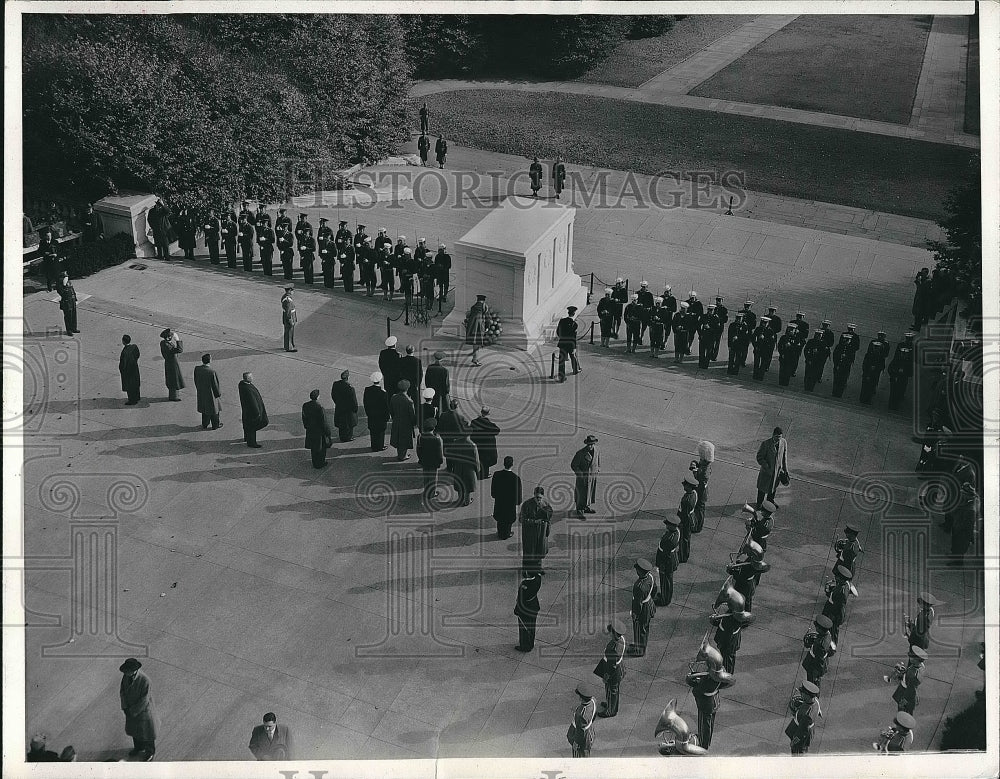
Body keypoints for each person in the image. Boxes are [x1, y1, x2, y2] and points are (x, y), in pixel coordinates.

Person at [119, 658, 156, 760]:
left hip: (143, 711)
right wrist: (125, 707)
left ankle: (150, 752)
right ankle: (138, 747)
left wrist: (133, 711)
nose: (125, 673)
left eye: (127, 671)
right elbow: (122, 691)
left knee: (147, 733)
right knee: (135, 731)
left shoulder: (145, 680)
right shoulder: (126, 676)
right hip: (130, 710)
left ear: (134, 670)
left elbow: (145, 699)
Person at [596, 620, 627, 718]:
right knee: (614, 691)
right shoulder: (622, 639)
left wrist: (606, 677)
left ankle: (610, 711)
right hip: (620, 669)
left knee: (611, 690)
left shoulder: (612, 648)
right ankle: (612, 705)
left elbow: (611, 666)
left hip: (613, 674)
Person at [627, 559, 657, 657]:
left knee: (639, 630)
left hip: (643, 609)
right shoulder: (651, 577)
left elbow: (637, 604)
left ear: (640, 572)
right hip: (649, 604)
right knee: (644, 628)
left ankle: (639, 651)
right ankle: (640, 646)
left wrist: (635, 614)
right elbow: (654, 590)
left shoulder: (639, 586)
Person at [519, 486, 552, 573]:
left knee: (539, 551)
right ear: (534, 495)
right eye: (537, 497)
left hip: (541, 532)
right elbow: (521, 519)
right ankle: (526, 569)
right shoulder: (526, 504)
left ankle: (538, 568)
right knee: (529, 551)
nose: (538, 500)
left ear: (543, 496)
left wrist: (547, 529)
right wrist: (534, 521)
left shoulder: (545, 503)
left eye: (540, 497)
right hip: (530, 532)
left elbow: (549, 516)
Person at [948, 481, 980, 566]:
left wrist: (970, 537)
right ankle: (955, 556)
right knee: (956, 544)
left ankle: (958, 562)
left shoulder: (970, 510)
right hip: (957, 526)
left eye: (963, 494)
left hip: (962, 531)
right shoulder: (969, 501)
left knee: (959, 546)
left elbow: (969, 525)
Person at [755, 427, 789, 507]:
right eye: (777, 437)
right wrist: (766, 466)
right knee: (762, 489)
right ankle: (759, 503)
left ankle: (770, 501)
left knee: (773, 487)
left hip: (777, 472)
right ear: (773, 435)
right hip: (766, 472)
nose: (778, 439)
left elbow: (784, 457)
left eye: (780, 437)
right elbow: (759, 457)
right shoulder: (765, 444)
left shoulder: (783, 442)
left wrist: (785, 470)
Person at [491, 456, 522, 539]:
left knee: (500, 520)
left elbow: (493, 491)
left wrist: (495, 495)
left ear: (504, 463)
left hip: (500, 503)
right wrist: (518, 502)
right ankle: (506, 534)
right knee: (508, 521)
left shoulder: (497, 474)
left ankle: (500, 533)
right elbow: (518, 495)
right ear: (512, 464)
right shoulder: (516, 478)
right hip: (510, 505)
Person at [785, 681, 820, 755]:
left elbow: (801, 733)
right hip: (806, 726)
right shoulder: (815, 700)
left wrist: (794, 742)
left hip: (800, 731)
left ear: (807, 695)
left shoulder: (806, 716)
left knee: (798, 749)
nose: (801, 694)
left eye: (802, 693)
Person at [416, 418, 445, 506]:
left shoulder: (420, 437)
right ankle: (432, 493)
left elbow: (418, 450)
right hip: (434, 462)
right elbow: (439, 452)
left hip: (424, 460)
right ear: (433, 428)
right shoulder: (437, 438)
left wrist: (420, 459)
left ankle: (426, 491)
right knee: (433, 478)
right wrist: (440, 461)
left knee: (426, 476)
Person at [570, 435, 600, 519]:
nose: (590, 446)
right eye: (589, 445)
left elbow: (597, 460)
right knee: (581, 494)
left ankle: (585, 507)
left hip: (592, 477)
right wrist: (581, 474)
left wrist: (598, 469)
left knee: (589, 493)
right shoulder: (580, 453)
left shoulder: (597, 450)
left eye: (592, 444)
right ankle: (580, 510)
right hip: (582, 479)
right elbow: (574, 465)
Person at [822, 564, 853, 643]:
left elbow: (840, 606)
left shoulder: (841, 592)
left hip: (833, 612)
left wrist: (837, 618)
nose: (835, 577)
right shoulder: (844, 584)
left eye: (837, 577)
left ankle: (831, 645)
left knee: (832, 630)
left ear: (842, 579)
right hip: (831, 608)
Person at [890, 645, 926, 715]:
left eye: (912, 657)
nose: (910, 658)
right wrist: (905, 672)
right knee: (907, 712)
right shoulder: (921, 666)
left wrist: (904, 701)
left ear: (916, 660)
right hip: (908, 689)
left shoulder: (913, 675)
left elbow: (910, 690)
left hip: (904, 691)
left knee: (903, 712)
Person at [301, 389, 332, 468]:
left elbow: (304, 418)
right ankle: (320, 463)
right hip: (319, 431)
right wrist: (328, 432)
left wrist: (306, 426)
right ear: (318, 397)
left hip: (310, 430)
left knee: (313, 448)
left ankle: (315, 462)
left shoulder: (305, 405)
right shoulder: (320, 408)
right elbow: (324, 422)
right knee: (321, 448)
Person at [654, 515, 680, 607]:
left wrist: (662, 566)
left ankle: (664, 600)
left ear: (673, 526)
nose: (666, 526)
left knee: (665, 581)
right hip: (670, 559)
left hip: (667, 562)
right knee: (667, 580)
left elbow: (666, 555)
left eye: (668, 525)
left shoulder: (669, 540)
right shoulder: (676, 532)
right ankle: (665, 596)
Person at [802, 614, 835, 685]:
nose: (816, 628)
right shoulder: (828, 634)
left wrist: (817, 672)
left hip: (813, 664)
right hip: (821, 659)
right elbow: (833, 648)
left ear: (821, 629)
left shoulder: (820, 645)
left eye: (817, 627)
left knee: (812, 681)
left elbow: (819, 660)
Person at [859, 331, 890, 404]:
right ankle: (864, 397)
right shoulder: (873, 343)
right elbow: (868, 353)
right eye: (879, 335)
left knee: (874, 380)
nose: (880, 337)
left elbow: (885, 354)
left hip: (877, 365)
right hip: (870, 365)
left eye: (881, 335)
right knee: (866, 381)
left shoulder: (885, 344)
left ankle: (869, 396)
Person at [887, 333, 916, 411]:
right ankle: (892, 405)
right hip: (897, 375)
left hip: (903, 375)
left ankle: (895, 404)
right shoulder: (900, 347)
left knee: (900, 390)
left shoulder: (913, 348)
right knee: (894, 391)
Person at [238, 372, 267, 448]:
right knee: (252, 427)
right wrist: (257, 413)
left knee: (247, 425)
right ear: (248, 378)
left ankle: (247, 437)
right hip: (251, 412)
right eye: (251, 377)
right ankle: (251, 443)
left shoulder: (242, 384)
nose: (252, 378)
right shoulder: (248, 389)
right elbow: (253, 402)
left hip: (246, 411)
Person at [449, 434, 480, 506]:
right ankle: (467, 501)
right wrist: (477, 469)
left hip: (458, 467)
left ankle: (460, 499)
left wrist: (452, 466)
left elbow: (451, 457)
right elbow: (476, 460)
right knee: (468, 486)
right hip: (469, 469)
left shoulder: (455, 443)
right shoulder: (472, 445)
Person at [193, 353, 222, 430]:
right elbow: (215, 385)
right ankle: (215, 425)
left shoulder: (197, 369)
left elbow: (195, 380)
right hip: (211, 394)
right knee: (214, 410)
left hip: (202, 392)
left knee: (205, 409)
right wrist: (218, 394)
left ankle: (205, 424)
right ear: (210, 361)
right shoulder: (212, 372)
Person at [515, 570, 542, 651]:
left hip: (525, 609)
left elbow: (521, 599)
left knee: (524, 628)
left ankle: (525, 646)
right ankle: (531, 642)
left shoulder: (525, 584)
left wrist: (517, 609)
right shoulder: (538, 578)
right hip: (534, 605)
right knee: (531, 625)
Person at [830, 324, 860, 398]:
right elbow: (835, 355)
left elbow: (856, 349)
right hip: (838, 364)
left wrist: (847, 360)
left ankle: (839, 393)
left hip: (846, 365)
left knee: (843, 379)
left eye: (848, 340)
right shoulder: (839, 346)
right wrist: (836, 364)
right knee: (836, 378)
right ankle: (834, 392)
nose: (846, 341)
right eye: (845, 339)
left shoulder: (851, 348)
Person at [470, 407, 500, 479]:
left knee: (479, 458)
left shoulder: (474, 422)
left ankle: (477, 472)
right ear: (488, 414)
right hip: (487, 446)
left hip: (478, 444)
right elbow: (497, 430)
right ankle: (485, 475)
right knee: (486, 462)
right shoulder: (489, 424)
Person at [363, 373, 390, 452]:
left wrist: (368, 413)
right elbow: (386, 407)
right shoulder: (383, 393)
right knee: (380, 433)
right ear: (380, 381)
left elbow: (365, 403)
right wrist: (387, 416)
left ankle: (374, 446)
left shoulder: (367, 390)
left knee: (373, 432)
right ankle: (380, 446)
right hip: (381, 417)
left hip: (371, 415)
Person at [390, 379, 416, 461]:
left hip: (397, 420)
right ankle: (402, 456)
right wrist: (413, 423)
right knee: (404, 440)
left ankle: (400, 454)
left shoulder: (394, 397)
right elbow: (412, 415)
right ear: (407, 388)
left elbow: (391, 410)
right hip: (406, 423)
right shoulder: (409, 401)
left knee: (398, 438)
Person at [568, 684, 597, 757]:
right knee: (586, 751)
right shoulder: (593, 701)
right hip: (589, 732)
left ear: (581, 698)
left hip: (582, 738)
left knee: (579, 755)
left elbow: (580, 731)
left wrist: (576, 742)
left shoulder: (581, 714)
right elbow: (593, 715)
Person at [330, 370, 359, 442]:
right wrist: (355, 409)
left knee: (341, 424)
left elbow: (333, 395)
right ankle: (348, 437)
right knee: (349, 425)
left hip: (339, 407)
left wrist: (337, 403)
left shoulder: (336, 384)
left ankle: (342, 436)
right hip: (348, 410)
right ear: (347, 378)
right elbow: (353, 401)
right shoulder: (350, 388)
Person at [691, 441, 713, 534]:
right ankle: (696, 525)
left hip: (701, 491)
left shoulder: (705, 470)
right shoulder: (706, 463)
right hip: (701, 489)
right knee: (699, 508)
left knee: (699, 509)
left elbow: (700, 479)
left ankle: (698, 526)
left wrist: (695, 471)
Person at [677, 474, 698, 563]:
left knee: (683, 538)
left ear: (689, 487)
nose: (684, 486)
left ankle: (683, 556)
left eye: (685, 485)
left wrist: (680, 522)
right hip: (689, 517)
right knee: (686, 538)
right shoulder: (694, 493)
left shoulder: (687, 500)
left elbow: (684, 514)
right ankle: (684, 554)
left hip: (685, 521)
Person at [159, 328, 184, 401]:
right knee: (174, 379)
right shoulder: (167, 345)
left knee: (172, 379)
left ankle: (174, 395)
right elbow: (180, 350)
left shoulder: (163, 343)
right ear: (168, 338)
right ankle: (174, 397)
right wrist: (177, 340)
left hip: (170, 363)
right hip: (172, 364)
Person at [117, 335, 142, 405]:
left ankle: (132, 400)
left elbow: (123, 363)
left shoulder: (124, 351)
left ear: (123, 342)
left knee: (130, 386)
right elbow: (138, 355)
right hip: (134, 368)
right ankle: (137, 397)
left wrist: (122, 369)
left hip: (128, 371)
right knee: (135, 384)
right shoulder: (134, 347)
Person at [466, 294, 489, 366]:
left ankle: (474, 357)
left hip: (472, 327)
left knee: (475, 342)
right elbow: (487, 317)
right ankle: (475, 359)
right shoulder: (484, 306)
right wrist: (487, 327)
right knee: (477, 343)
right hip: (479, 326)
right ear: (483, 301)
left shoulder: (473, 307)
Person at [398, 344, 423, 411]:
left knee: (404, 402)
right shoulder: (417, 361)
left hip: (404, 384)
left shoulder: (402, 360)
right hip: (414, 384)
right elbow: (420, 374)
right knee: (416, 402)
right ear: (413, 351)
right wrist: (418, 384)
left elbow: (400, 372)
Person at [280, 285, 297, 353]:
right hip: (289, 317)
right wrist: (290, 320)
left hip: (287, 316)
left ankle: (287, 345)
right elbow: (288, 311)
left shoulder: (286, 297)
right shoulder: (288, 300)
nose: (293, 292)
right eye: (292, 290)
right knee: (289, 332)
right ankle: (289, 347)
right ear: (289, 290)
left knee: (288, 331)